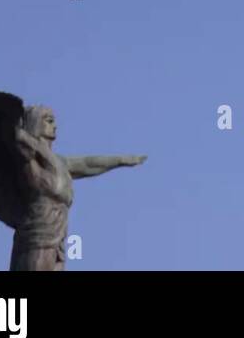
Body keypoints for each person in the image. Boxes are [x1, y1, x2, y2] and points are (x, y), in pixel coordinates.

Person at [9, 105, 146, 271]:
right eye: (49, 120)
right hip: (39, 232)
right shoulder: (27, 158)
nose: (55, 126)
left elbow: (88, 164)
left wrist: (121, 160)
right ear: (35, 123)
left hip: (58, 233)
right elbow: (16, 138)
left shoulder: (60, 163)